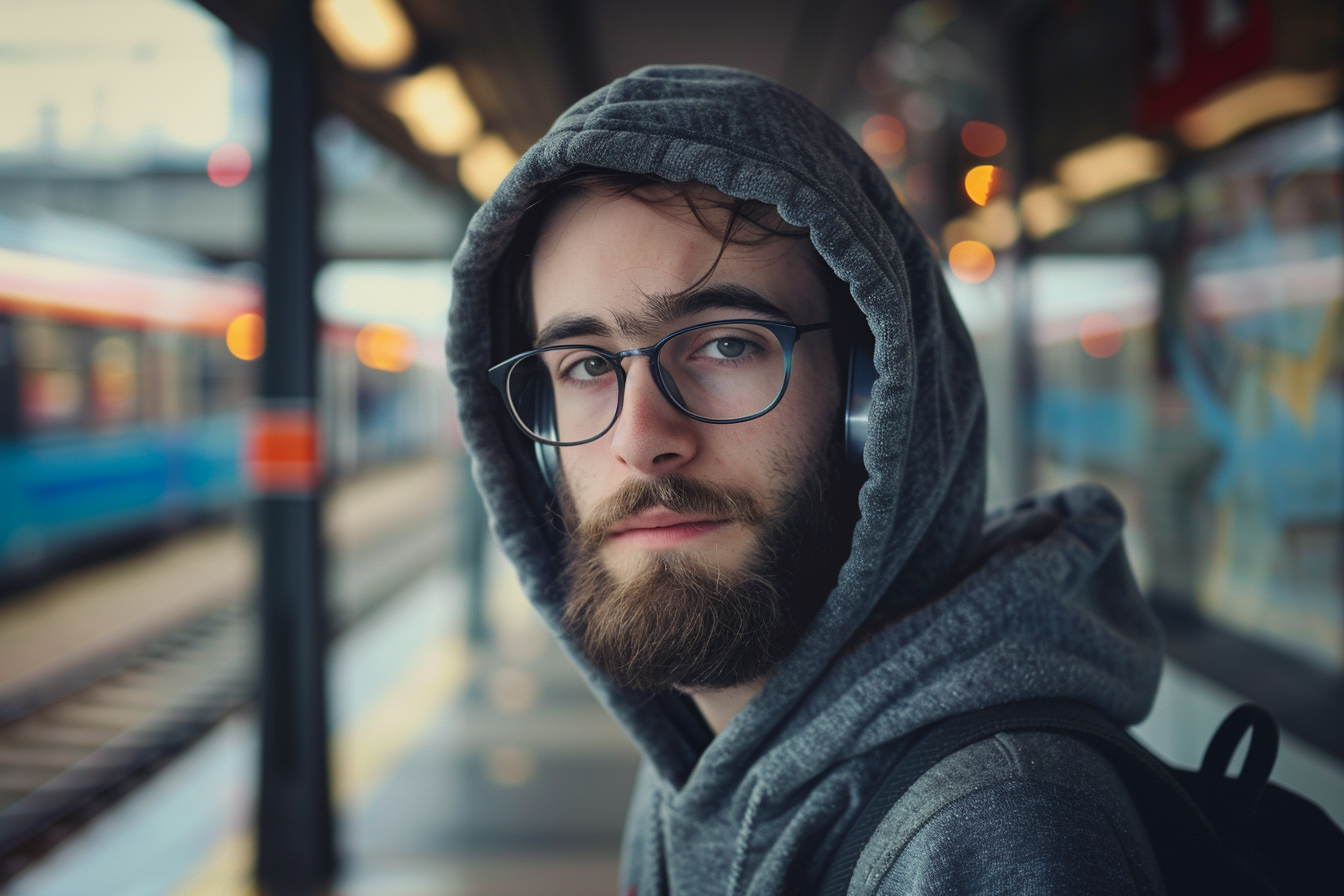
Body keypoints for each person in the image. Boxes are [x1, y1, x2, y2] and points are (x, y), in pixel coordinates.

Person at [447, 66, 1165, 895]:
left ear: (874, 401)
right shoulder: (695, 751)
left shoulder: (991, 828)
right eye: (582, 366)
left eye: (726, 345)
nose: (642, 441)